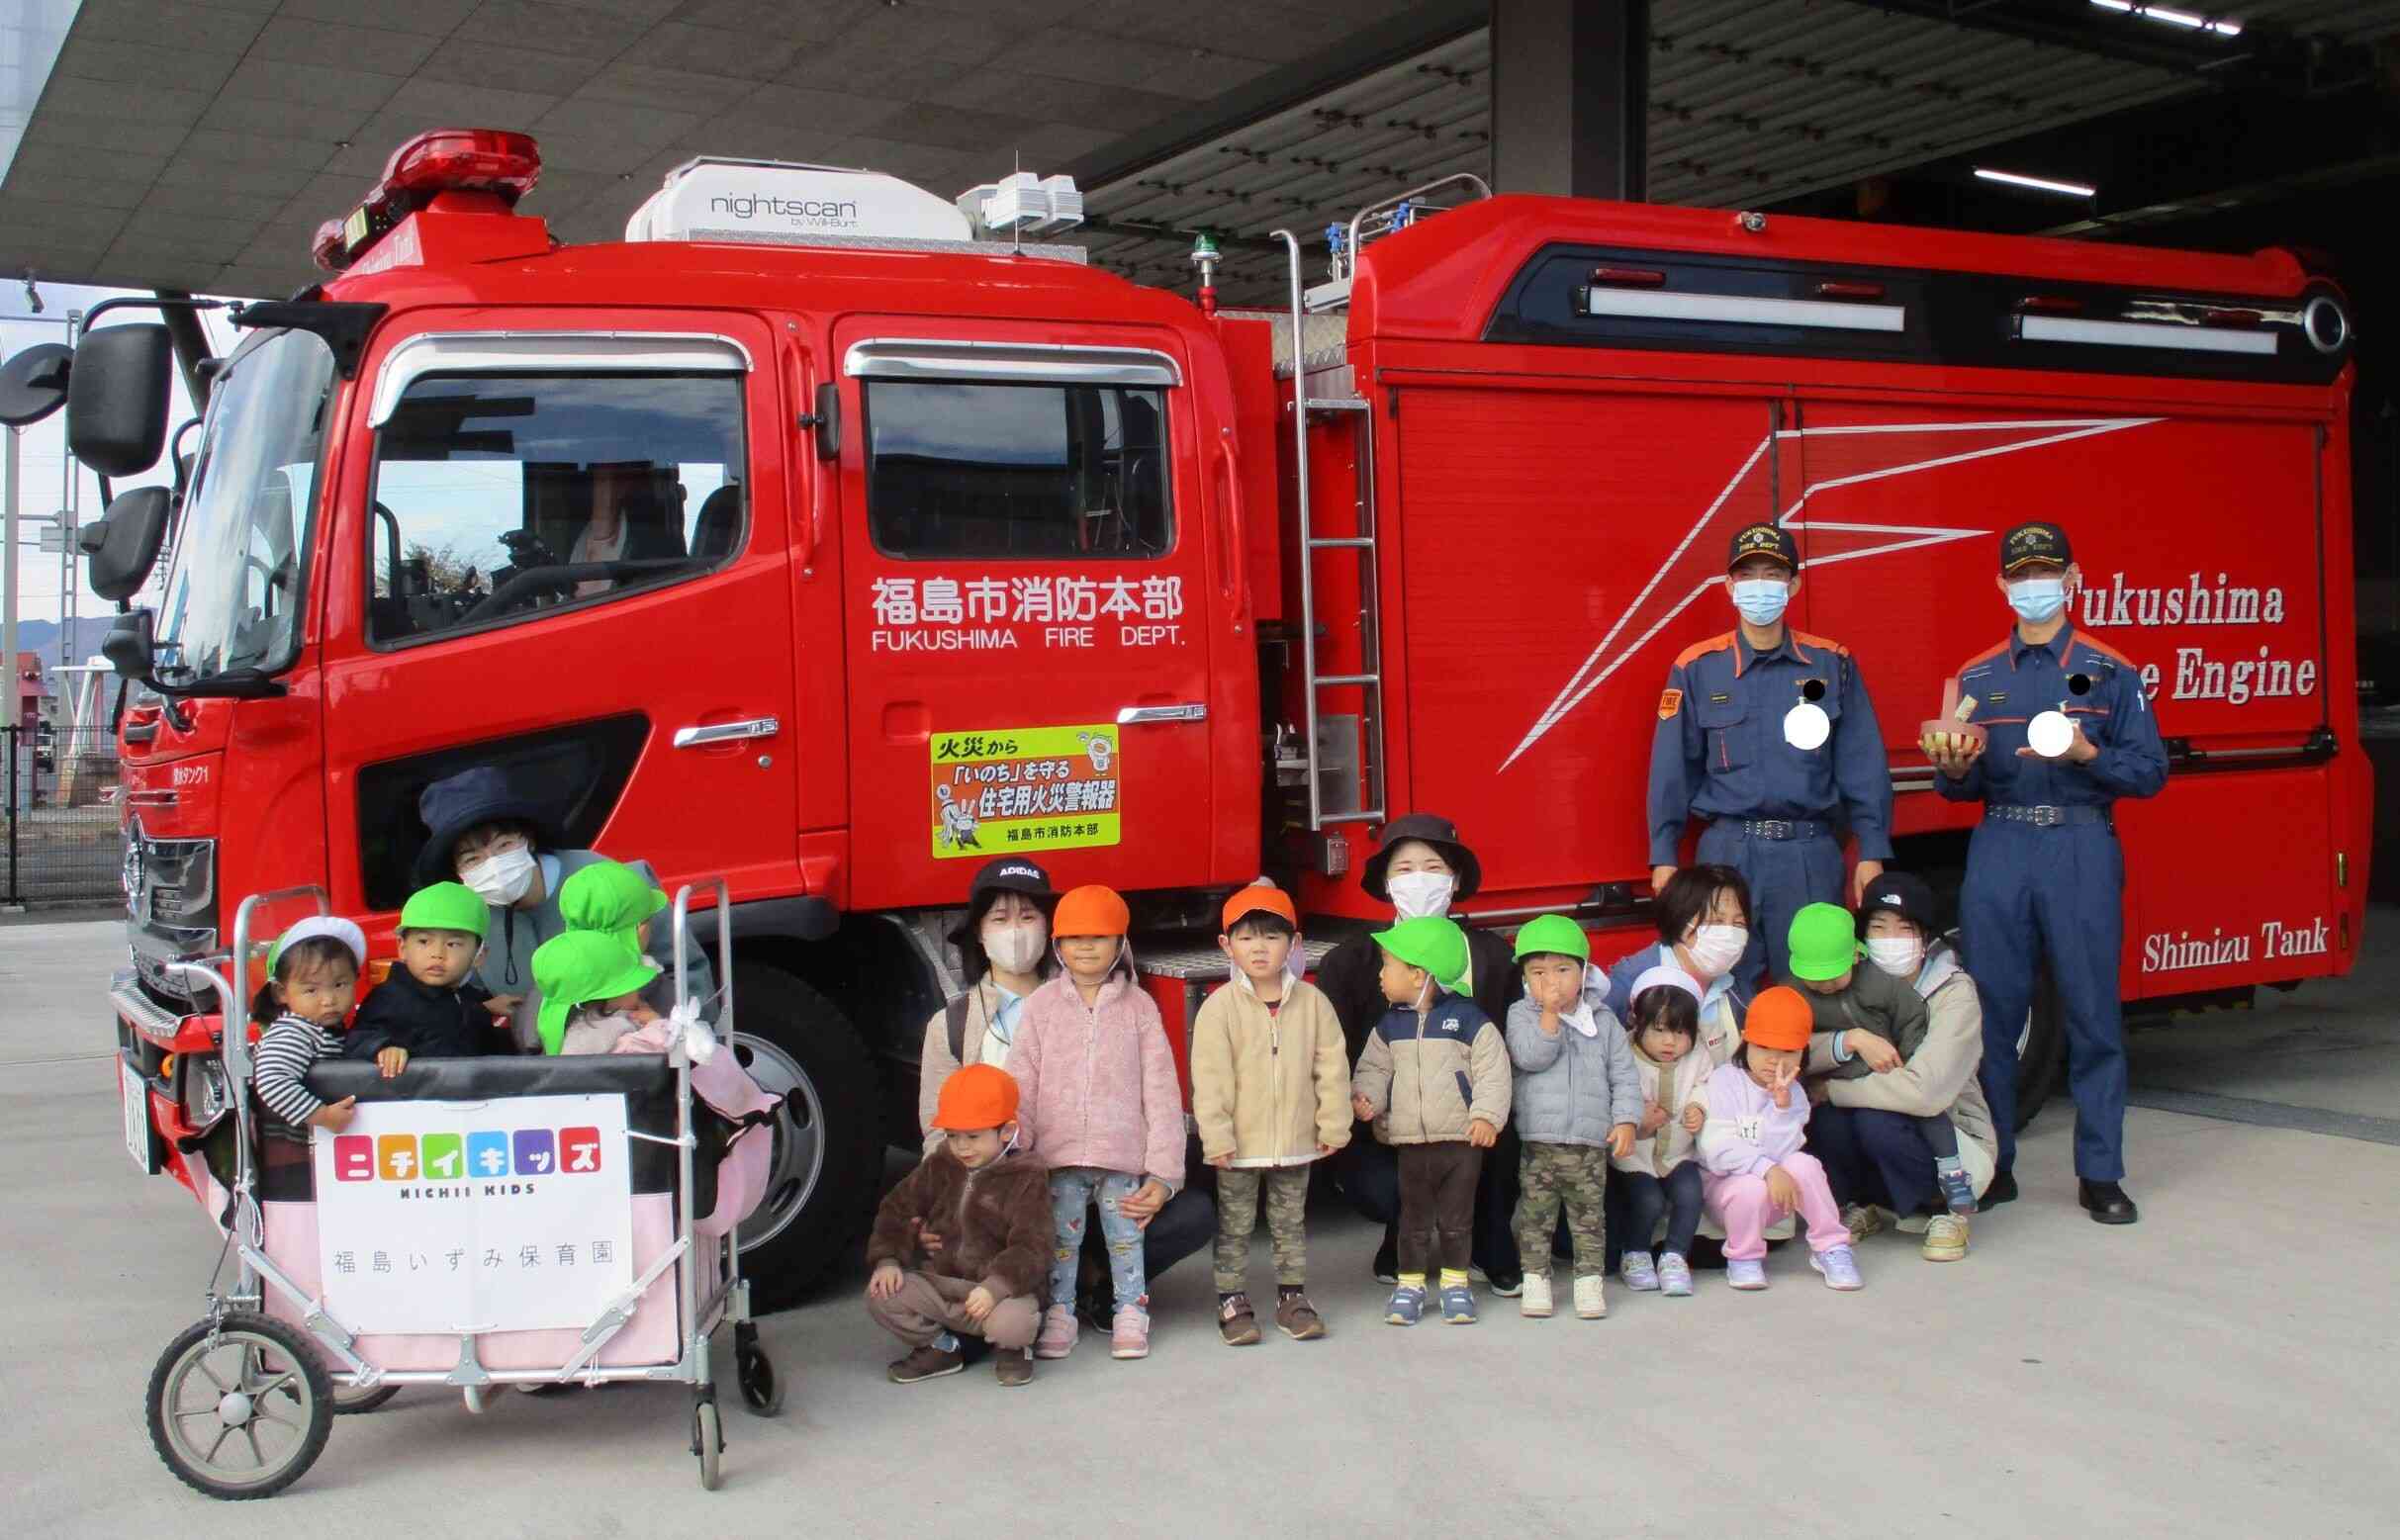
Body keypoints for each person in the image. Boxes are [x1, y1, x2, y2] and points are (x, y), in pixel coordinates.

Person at [1926, 521, 2166, 1223]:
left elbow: (2151, 772)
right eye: (2020, 573)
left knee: (2093, 1014)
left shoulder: (2111, 670)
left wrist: (2091, 755)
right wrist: (1954, 768)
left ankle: (2100, 1172)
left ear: (2071, 577)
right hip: (2000, 845)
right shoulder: (1976, 677)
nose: (2033, 584)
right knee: (1994, 1016)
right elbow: (1956, 790)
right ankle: (1995, 1165)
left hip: (2080, 846)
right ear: (2001, 583)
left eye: (2047, 571)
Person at [1648, 522, 1894, 985]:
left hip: (1808, 854)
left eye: (1773, 573)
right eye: (1748, 574)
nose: (1760, 585)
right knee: (1723, 990)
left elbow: (1862, 764)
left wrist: (1872, 850)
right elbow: (1670, 771)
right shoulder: (1697, 667)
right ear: (1730, 586)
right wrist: (1664, 853)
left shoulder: (1831, 662)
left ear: (1794, 584)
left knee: (1810, 989)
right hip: (1726, 853)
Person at [1315, 813, 1525, 1293]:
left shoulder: (1493, 956)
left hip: (1474, 1125)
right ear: (1387, 885)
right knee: (1384, 1183)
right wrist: (1360, 1103)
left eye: (1432, 868)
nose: (1419, 880)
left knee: (1504, 1142)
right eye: (1404, 870)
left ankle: (1491, 1239)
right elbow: (1332, 1055)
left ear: (1453, 881)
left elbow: (1512, 1049)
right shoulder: (1351, 961)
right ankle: (1402, 1233)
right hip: (1391, 1128)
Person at [1009, 883, 1183, 1362]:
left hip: (1120, 1154)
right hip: (1057, 1157)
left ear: (1121, 944)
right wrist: (1018, 1155)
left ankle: (1131, 1309)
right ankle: (1060, 1311)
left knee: (1126, 1237)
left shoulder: (1140, 1008)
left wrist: (1165, 1172)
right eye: (1074, 937)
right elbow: (1020, 1082)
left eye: (1099, 936)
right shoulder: (1041, 1007)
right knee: (1062, 1240)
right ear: (1058, 946)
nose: (1086, 947)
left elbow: (1163, 1091)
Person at [1803, 873, 1998, 1263]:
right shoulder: (1842, 983)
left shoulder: (1954, 992)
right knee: (1823, 1120)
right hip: (1879, 1115)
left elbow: (1925, 1092)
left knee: (1875, 1122)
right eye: (1878, 928)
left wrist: (1834, 1089)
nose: (1890, 939)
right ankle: (1867, 1203)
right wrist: (1849, 1040)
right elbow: (1790, 1052)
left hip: (1953, 1136)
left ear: (1925, 938)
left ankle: (1945, 1210)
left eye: (1904, 929)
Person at [1191, 882, 1348, 1345]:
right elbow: (1210, 1078)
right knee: (1235, 1226)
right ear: (1227, 945)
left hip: (1296, 1140)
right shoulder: (1218, 1008)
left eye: (1272, 937)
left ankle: (1292, 1297)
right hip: (1239, 1145)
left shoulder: (1314, 1003)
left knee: (1290, 1223)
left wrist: (1333, 1123)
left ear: (1294, 944)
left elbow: (1332, 1066)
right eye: (1246, 937)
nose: (1259, 948)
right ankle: (1231, 1298)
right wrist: (1215, 1136)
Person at [414, 765, 665, 1052]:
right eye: (472, 859)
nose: (492, 864)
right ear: (458, 873)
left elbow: (682, 970)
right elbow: (461, 992)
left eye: (503, 845)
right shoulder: (472, 919)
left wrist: (677, 1045)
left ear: (528, 840)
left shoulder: (603, 878)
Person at [1349, 914, 1512, 1327]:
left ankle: (1456, 1284)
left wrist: (1487, 1116)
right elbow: (1373, 1067)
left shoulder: (1470, 1020)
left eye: (1388, 964)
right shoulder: (1391, 1024)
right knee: (1413, 1219)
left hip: (1461, 1141)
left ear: (1419, 974)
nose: (1381, 974)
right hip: (1411, 1143)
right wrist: (1368, 1097)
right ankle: (1411, 1284)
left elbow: (1493, 1071)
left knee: (1457, 1219)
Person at [1782, 901, 1973, 1219]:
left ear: (1856, 956)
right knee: (1826, 1129)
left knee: (1904, 1121)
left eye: (1833, 976)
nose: (1825, 986)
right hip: (1839, 1081)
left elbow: (1912, 1018)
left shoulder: (1880, 983)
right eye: (1815, 979)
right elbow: (1787, 1044)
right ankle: (1850, 1203)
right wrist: (1845, 1043)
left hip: (1889, 1079)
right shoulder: (1792, 993)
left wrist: (1909, 1059)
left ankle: (1943, 1187)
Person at [865, 1064, 1049, 1388]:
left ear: (1006, 1132)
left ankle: (1012, 1349)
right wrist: (888, 1259)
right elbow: (897, 1207)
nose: (962, 1147)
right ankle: (943, 1347)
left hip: (996, 1295)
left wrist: (995, 1288)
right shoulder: (942, 1164)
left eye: (973, 1137)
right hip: (943, 1285)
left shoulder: (1026, 1177)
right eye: (952, 1135)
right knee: (882, 1294)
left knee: (1013, 1322)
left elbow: (1034, 1246)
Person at [1503, 915, 1637, 1321]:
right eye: (1539, 972)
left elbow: (1624, 1074)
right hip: (1540, 1139)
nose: (1552, 981)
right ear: (1525, 978)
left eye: (1563, 969)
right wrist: (1548, 1015)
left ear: (1584, 971)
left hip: (1589, 1142)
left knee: (1589, 1218)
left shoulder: (1604, 1021)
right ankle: (1537, 1279)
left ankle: (1588, 1282)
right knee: (1535, 1215)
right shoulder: (1521, 1015)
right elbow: (1530, 1056)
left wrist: (1626, 1119)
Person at [1698, 986, 1862, 1292]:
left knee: (1805, 1163)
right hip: (1728, 1194)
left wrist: (1781, 1106)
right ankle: (1743, 1257)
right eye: (1763, 1047)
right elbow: (1716, 1149)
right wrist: (1766, 1169)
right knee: (1749, 1186)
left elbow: (1787, 1150)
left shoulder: (1794, 1093)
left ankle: (1832, 1247)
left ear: (1803, 1051)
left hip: (1778, 1194)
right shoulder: (1724, 1080)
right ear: (1745, 1038)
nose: (1775, 1061)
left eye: (1788, 1051)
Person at [915, 857, 1058, 1153]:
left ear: (1047, 927)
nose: (1015, 931)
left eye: (1028, 916)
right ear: (980, 932)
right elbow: (939, 1133)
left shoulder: (1078, 1008)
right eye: (1000, 918)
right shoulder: (950, 1026)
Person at [1612, 965, 1713, 1299]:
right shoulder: (1623, 1054)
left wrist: (1699, 1107)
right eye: (1659, 1030)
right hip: (1635, 1156)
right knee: (1648, 1199)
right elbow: (1611, 1095)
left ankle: (1674, 1255)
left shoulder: (1698, 1055)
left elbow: (1706, 1085)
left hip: (1677, 1152)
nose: (1671, 1041)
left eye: (1682, 1032)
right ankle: (1636, 1252)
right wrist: (1636, 1118)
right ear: (1636, 1022)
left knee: (1690, 1193)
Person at [1602, 864, 1755, 1068]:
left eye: (1738, 924)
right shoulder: (1628, 982)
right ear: (1680, 920)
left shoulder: (1740, 987)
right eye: (1716, 921)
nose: (1728, 933)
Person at [344, 882, 506, 1070]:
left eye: (453, 944)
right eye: (424, 941)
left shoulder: (465, 996)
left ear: (479, 955)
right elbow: (357, 1038)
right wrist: (383, 1048)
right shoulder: (390, 998)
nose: (437, 953)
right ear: (402, 947)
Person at [249, 917, 368, 1132]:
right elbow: (272, 1081)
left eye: (339, 985)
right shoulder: (295, 1031)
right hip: (299, 1154)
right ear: (281, 992)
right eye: (312, 990)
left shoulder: (329, 1028)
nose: (329, 999)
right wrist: (323, 1116)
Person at [556, 859, 715, 1020]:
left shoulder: (551, 985)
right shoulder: (653, 992)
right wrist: (662, 1027)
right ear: (639, 927)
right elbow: (700, 1039)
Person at [530, 929, 661, 1054]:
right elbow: (671, 1051)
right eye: (632, 985)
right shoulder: (620, 1036)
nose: (638, 992)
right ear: (613, 995)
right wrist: (656, 1024)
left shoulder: (562, 1027)